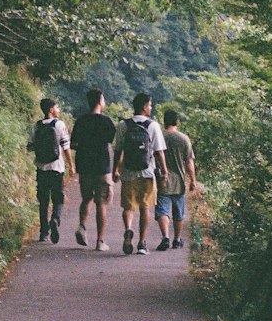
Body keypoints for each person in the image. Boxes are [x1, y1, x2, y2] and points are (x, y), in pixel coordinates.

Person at [112, 92, 167, 255]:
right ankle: (142, 243)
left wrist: (115, 169)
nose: (151, 108)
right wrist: (164, 171)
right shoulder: (153, 125)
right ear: (144, 107)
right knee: (145, 207)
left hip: (128, 172)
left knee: (128, 206)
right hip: (147, 172)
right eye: (150, 105)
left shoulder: (123, 125)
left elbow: (118, 150)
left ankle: (128, 229)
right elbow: (159, 152)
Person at [70, 88, 117, 251]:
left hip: (85, 166)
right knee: (102, 204)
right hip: (102, 167)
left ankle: (82, 226)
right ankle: (100, 241)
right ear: (100, 101)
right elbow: (111, 142)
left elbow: (73, 144)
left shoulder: (81, 121)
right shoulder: (107, 122)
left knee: (86, 198)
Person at [25, 97, 70, 244]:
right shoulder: (59, 125)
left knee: (43, 201)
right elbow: (65, 147)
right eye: (57, 107)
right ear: (51, 109)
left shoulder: (36, 126)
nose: (58, 110)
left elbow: (30, 147)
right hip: (57, 168)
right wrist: (71, 164)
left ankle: (43, 233)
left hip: (41, 168)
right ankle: (55, 219)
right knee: (58, 198)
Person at [154, 108, 196, 252]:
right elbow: (189, 161)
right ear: (177, 121)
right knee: (179, 212)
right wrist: (193, 180)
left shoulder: (159, 136)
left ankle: (165, 236)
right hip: (179, 180)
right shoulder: (184, 138)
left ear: (164, 121)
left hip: (162, 179)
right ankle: (177, 239)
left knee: (162, 210)